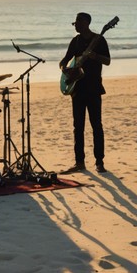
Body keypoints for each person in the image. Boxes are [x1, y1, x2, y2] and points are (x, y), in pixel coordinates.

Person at [59, 12, 111, 173]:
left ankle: (99, 162)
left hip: (94, 88)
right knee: (78, 126)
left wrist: (94, 56)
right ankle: (79, 162)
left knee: (97, 125)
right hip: (77, 89)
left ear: (87, 23)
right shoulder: (75, 41)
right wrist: (65, 70)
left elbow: (107, 61)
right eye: (75, 23)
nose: (76, 25)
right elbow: (64, 60)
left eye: (79, 22)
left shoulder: (99, 40)